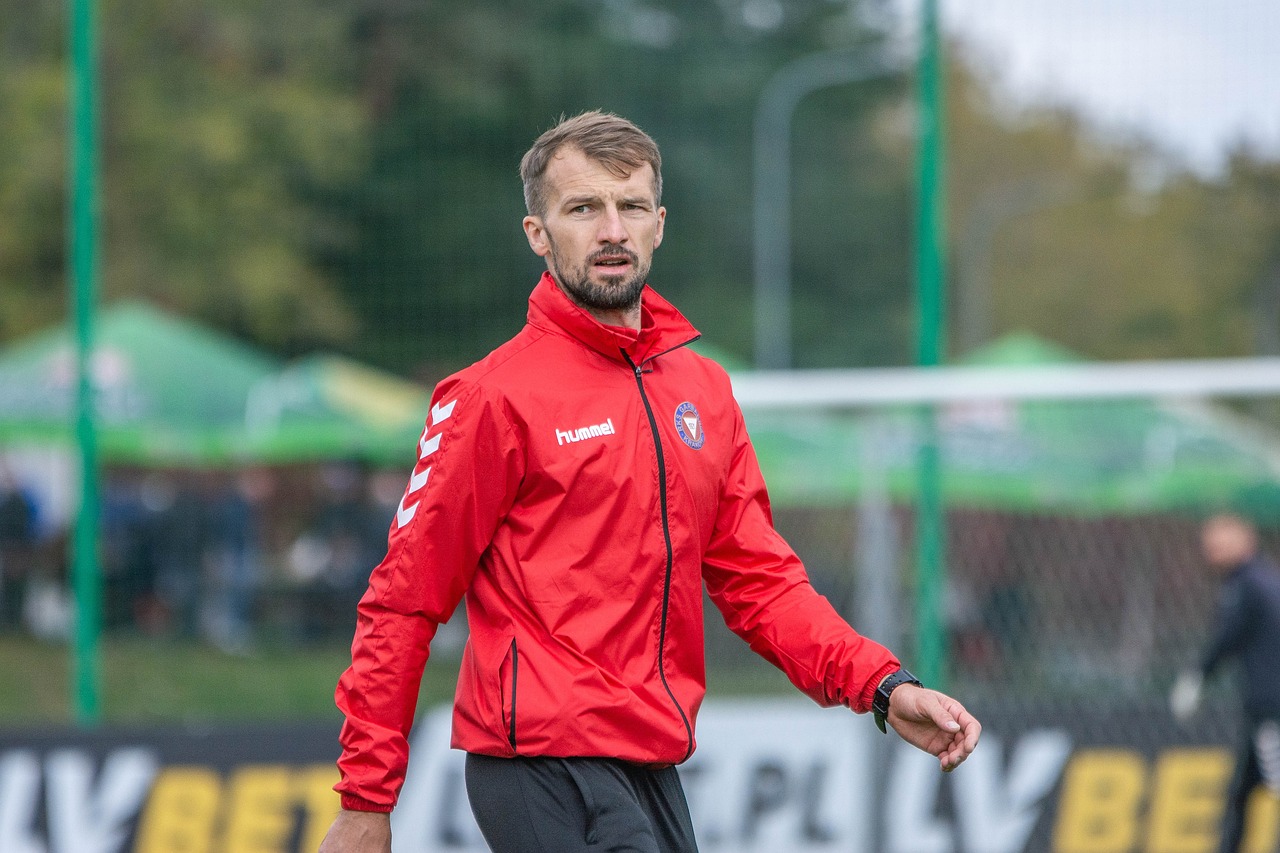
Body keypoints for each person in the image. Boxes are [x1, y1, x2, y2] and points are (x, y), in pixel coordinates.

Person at [318, 110, 981, 853]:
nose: (611, 229)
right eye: (583, 208)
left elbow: (762, 584)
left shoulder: (702, 390)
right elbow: (401, 604)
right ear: (538, 233)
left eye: (630, 206)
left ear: (658, 224)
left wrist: (884, 687)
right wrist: (367, 798)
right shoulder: (489, 397)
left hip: (652, 765)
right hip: (540, 766)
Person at [1170, 512, 1280, 853]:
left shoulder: (1247, 584)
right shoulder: (1263, 580)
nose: (1212, 551)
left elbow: (1226, 639)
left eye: (1220, 541)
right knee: (1242, 791)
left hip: (1271, 708)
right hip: (1262, 707)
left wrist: (1197, 674)